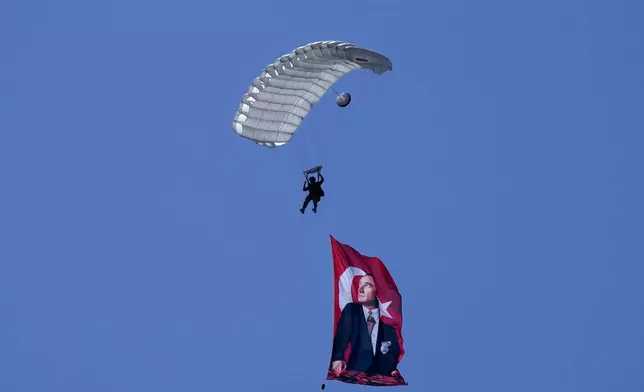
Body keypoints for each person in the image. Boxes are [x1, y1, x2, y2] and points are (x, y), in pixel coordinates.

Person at [329, 275, 401, 378]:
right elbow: (342, 337)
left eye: (367, 285)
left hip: (379, 379)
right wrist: (337, 358)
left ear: (378, 292)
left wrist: (391, 369)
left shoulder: (389, 328)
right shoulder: (352, 311)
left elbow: (393, 354)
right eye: (359, 284)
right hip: (354, 375)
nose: (360, 289)